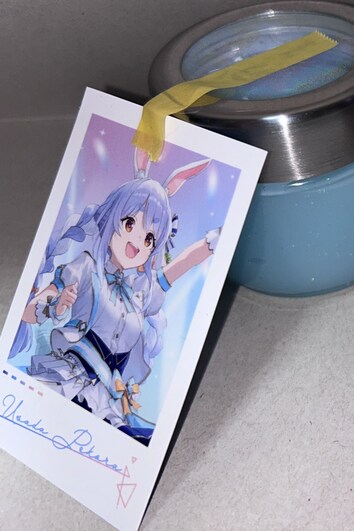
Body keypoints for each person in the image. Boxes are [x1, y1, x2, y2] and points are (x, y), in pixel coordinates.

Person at [11, 148, 217, 442]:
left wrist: (218, 239)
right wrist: (54, 305)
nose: (138, 242)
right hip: (69, 378)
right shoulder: (86, 268)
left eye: (149, 238)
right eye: (130, 224)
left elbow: (183, 264)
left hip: (108, 398)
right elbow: (29, 310)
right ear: (113, 217)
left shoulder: (140, 294)